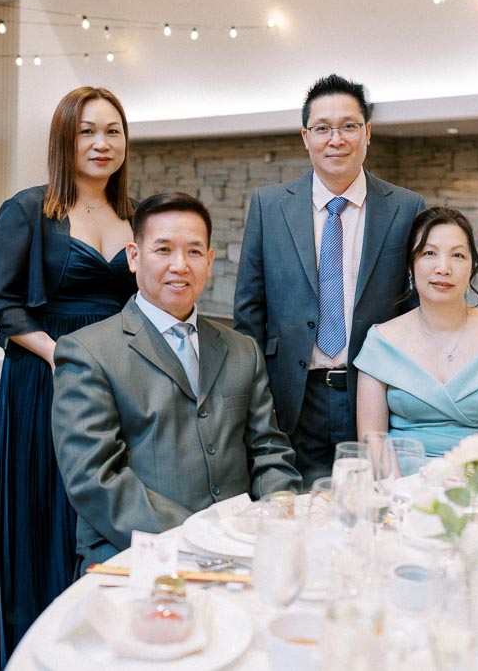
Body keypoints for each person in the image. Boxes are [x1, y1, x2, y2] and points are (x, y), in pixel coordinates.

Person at [0, 86, 137, 670]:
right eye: (86, 131)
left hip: (116, 384)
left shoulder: (133, 216)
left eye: (112, 131)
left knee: (102, 515)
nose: (101, 143)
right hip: (45, 380)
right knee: (46, 515)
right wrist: (58, 354)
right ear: (64, 139)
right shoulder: (29, 208)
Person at [52, 192, 302, 569]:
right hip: (141, 551)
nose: (180, 266)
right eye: (164, 250)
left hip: (243, 550)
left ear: (210, 261)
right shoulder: (88, 352)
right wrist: (198, 540)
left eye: (194, 252)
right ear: (134, 257)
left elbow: (269, 451)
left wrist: (277, 521)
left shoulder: (242, 349)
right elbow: (95, 479)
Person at [234, 74, 426, 485]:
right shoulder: (269, 207)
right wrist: (254, 400)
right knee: (296, 505)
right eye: (322, 128)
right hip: (291, 393)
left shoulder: (406, 208)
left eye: (349, 126)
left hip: (374, 392)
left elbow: (415, 310)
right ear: (306, 137)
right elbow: (249, 312)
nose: (335, 139)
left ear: (367, 133)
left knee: (373, 505)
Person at [353, 206, 478, 457]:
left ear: (472, 266)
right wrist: (397, 493)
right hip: (401, 485)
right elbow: (373, 447)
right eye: (429, 253)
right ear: (410, 266)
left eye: (458, 256)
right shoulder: (381, 343)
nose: (443, 268)